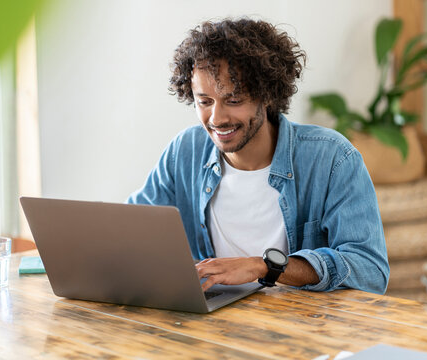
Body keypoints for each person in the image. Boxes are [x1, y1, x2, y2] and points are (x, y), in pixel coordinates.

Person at [127, 18, 389, 294]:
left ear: (267, 95)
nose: (216, 118)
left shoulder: (332, 158)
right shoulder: (185, 152)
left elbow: (370, 271)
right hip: (213, 324)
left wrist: (264, 267)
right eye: (204, 102)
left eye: (234, 100)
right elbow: (128, 229)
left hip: (304, 326)